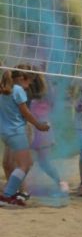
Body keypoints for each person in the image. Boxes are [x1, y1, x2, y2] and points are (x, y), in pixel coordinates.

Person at [0, 66, 50, 207]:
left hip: (6, 132)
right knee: (25, 165)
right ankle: (7, 194)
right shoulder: (18, 90)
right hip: (17, 132)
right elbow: (26, 113)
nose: (30, 85)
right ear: (22, 78)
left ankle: (12, 193)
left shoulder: (5, 89)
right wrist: (39, 125)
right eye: (30, 81)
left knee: (22, 164)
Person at [25, 66, 66, 194]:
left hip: (38, 130)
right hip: (40, 129)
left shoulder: (33, 94)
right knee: (39, 161)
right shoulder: (43, 93)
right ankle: (59, 182)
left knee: (34, 162)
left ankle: (60, 182)